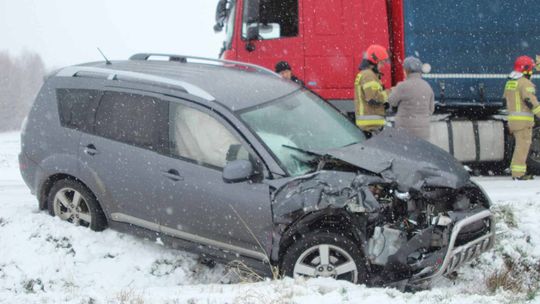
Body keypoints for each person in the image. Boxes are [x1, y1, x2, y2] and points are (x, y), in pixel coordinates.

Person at [503, 55, 540, 180]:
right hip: (523, 122)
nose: (531, 73)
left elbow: (505, 100)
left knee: (519, 147)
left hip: (513, 120)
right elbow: (530, 101)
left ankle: (516, 172)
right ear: (526, 70)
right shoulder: (525, 83)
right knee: (522, 147)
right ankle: (518, 174)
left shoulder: (510, 82)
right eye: (530, 70)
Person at [387, 56, 435, 140]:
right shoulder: (427, 86)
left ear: (406, 71)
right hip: (423, 131)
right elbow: (431, 109)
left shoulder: (402, 86)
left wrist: (392, 91)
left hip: (405, 131)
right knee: (419, 152)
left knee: (404, 153)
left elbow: (392, 101)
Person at [354, 44, 391, 133]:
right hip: (371, 125)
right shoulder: (368, 75)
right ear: (375, 61)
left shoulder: (367, 74)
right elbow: (373, 98)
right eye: (381, 62)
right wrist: (390, 92)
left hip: (370, 124)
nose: (382, 66)